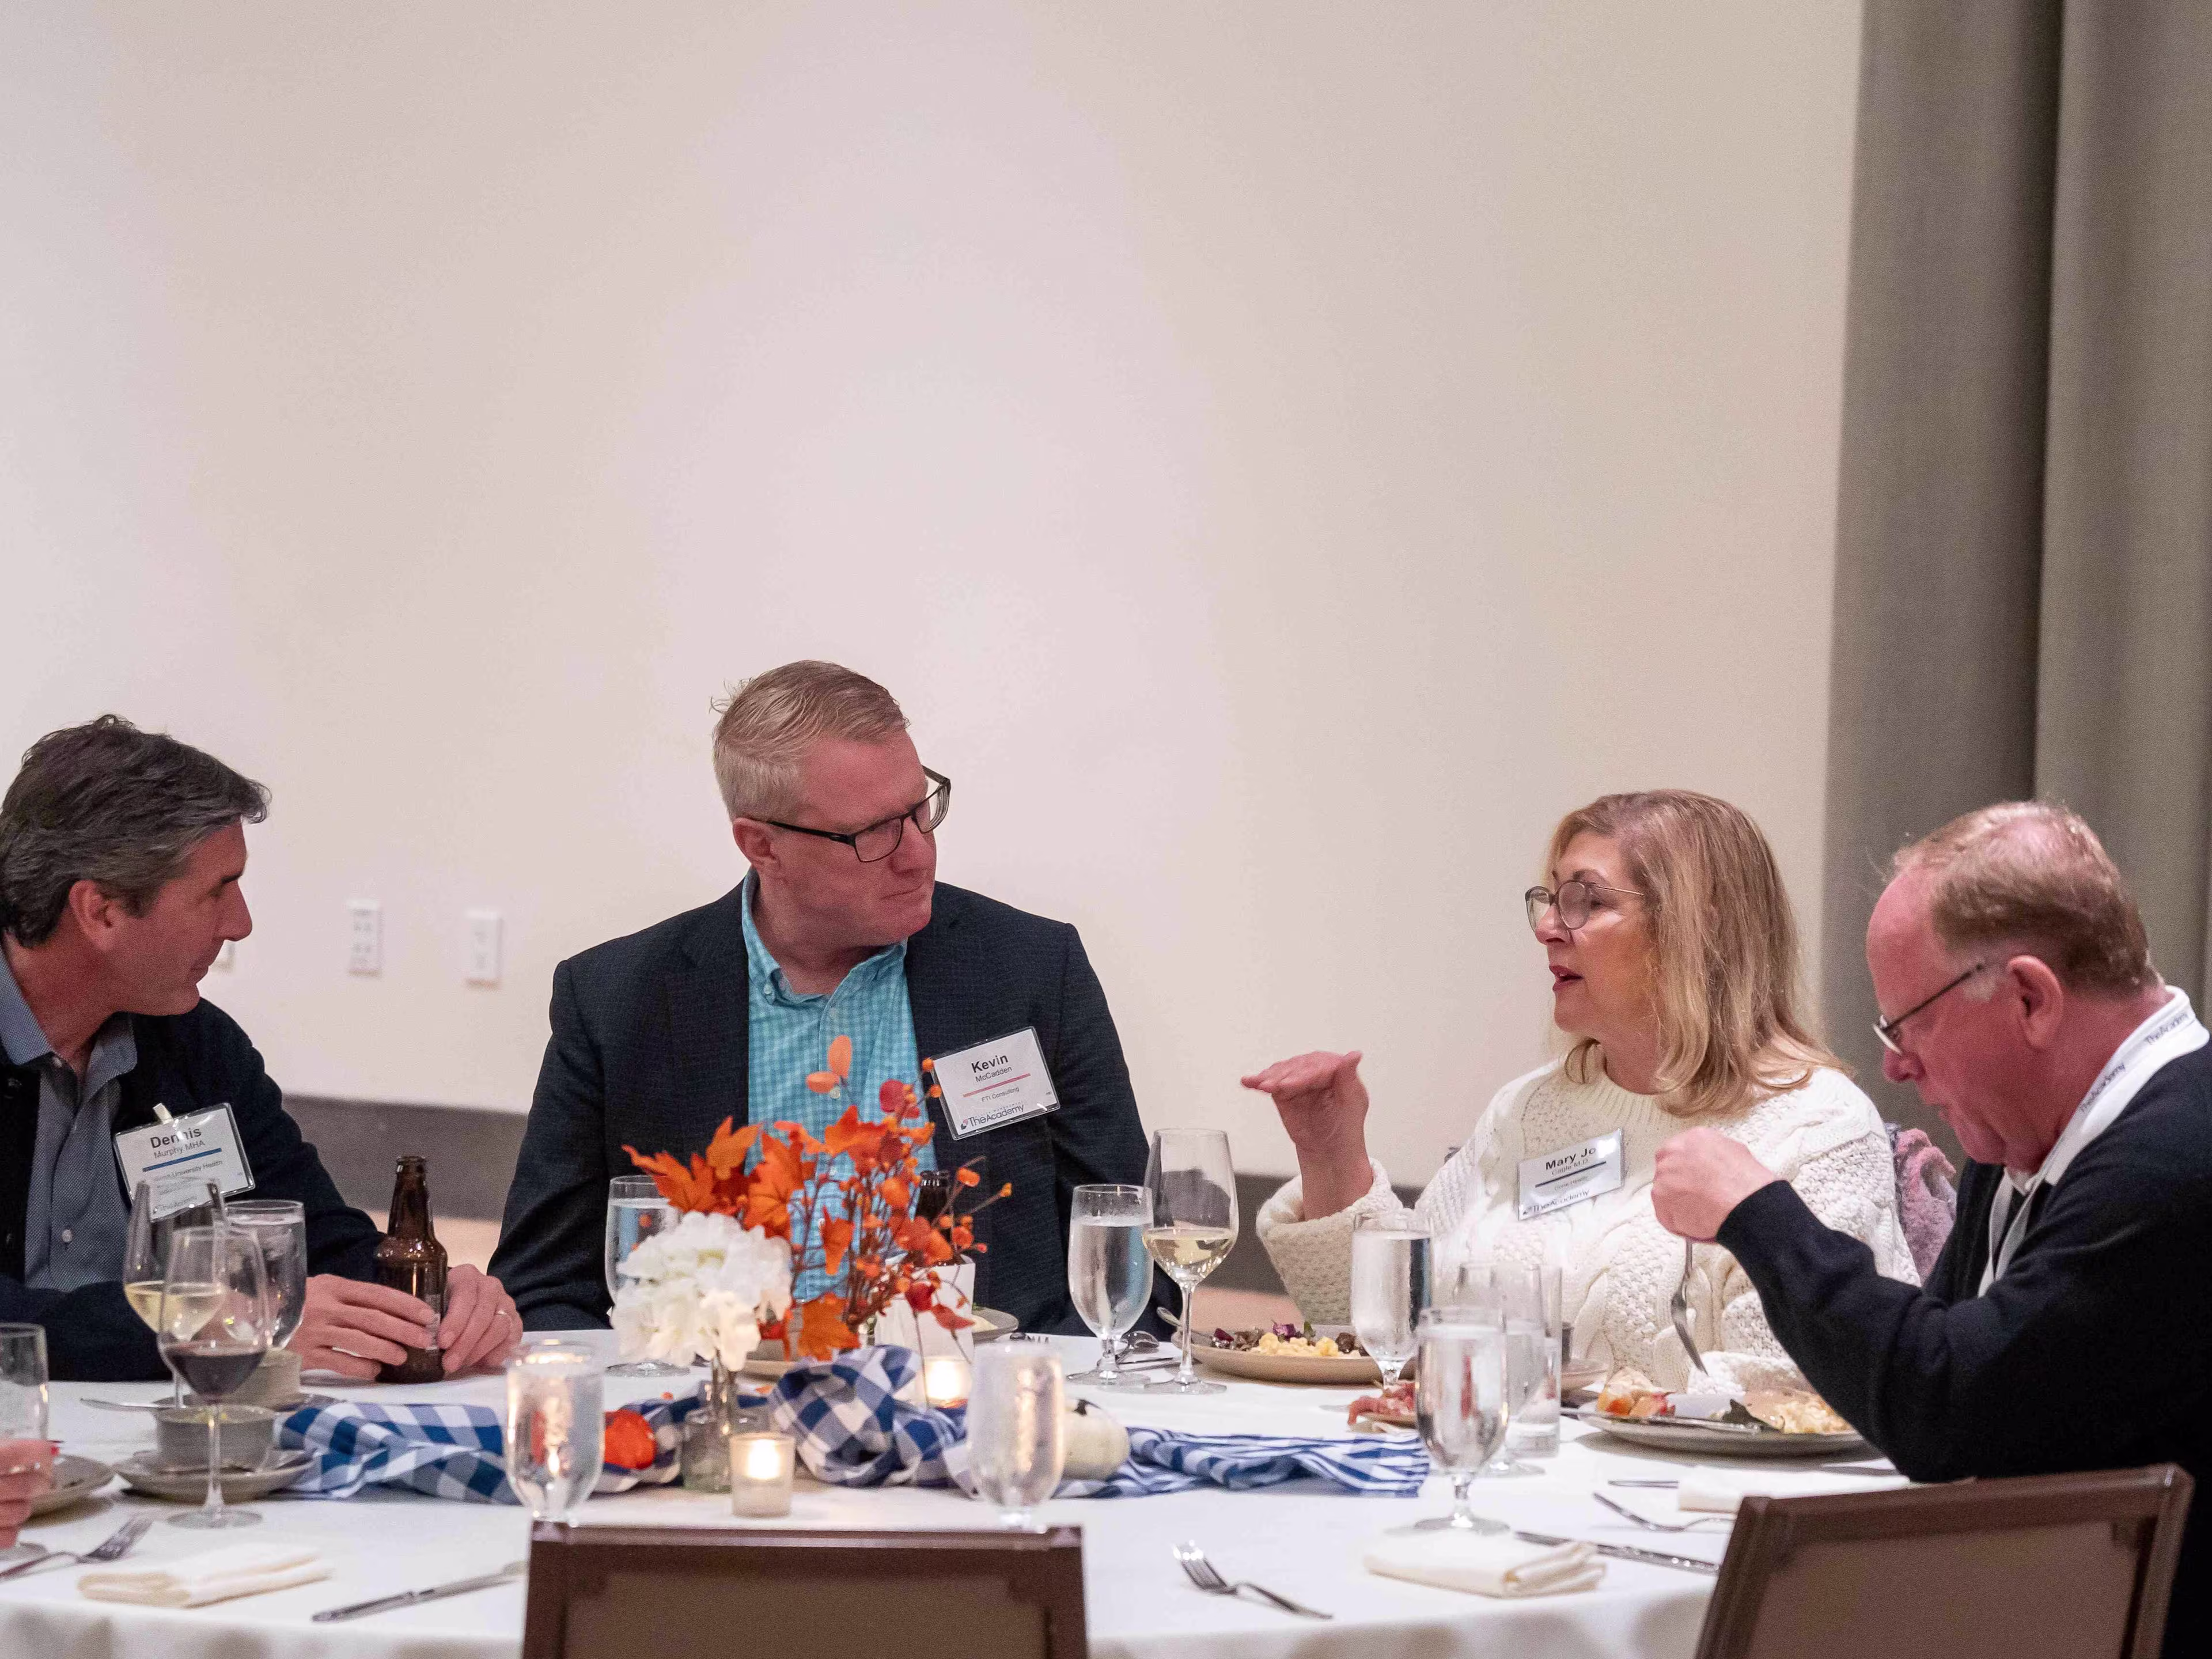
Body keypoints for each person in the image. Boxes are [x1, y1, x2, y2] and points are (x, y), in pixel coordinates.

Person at [1653, 802, 2212, 1657]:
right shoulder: (2029, 1138)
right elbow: (1939, 1359)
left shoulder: (2175, 1159)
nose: (1894, 1064)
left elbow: (1947, 1407)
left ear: (2030, 998)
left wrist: (1758, 1216)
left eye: (1908, 1021)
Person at [491, 661, 1151, 1336]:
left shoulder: (1029, 971)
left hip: (979, 1405)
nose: (918, 855)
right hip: (719, 1410)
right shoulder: (619, 1000)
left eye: (920, 810)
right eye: (872, 834)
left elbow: (1131, 1263)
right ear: (762, 846)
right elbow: (544, 1290)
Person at [1247, 789, 1915, 1390]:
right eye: (1550, 899)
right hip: (1490, 1480)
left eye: (1586, 901)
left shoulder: (1813, 1123)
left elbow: (1796, 1391)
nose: (1547, 928)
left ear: (1700, 927)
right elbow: (1387, 1340)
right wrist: (1334, 1156)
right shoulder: (1530, 1109)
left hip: (1677, 1513)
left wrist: (1572, 1407)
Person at [0, 718, 522, 1382]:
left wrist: (430, 1300)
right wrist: (213, 1326)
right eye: (215, 891)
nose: (241, 925)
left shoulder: (193, 1044)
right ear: (100, 910)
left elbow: (317, 1239)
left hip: (167, 1441)